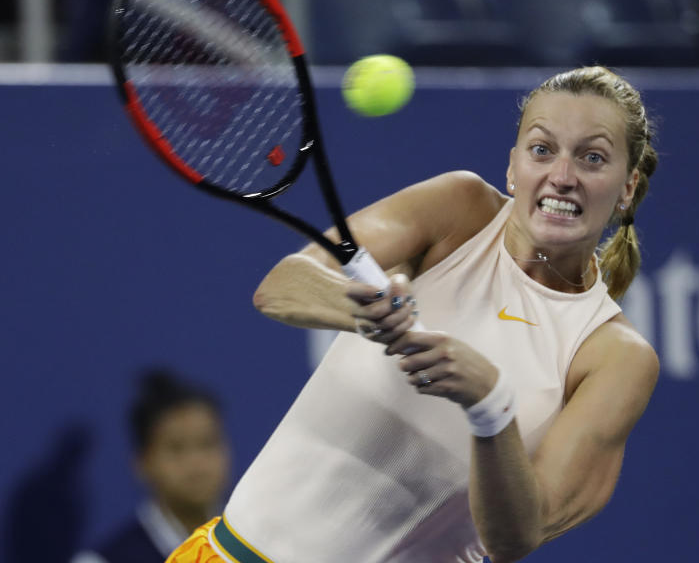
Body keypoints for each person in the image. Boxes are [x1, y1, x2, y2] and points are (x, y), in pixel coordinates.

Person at [166, 65, 660, 563]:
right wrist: (365, 312)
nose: (562, 175)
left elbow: (516, 536)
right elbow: (281, 287)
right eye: (542, 150)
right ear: (513, 168)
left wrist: (490, 406)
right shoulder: (459, 208)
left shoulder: (616, 358)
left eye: (592, 158)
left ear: (626, 187)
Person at [71, 370, 231, 563]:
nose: (196, 463)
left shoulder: (259, 545)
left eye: (207, 443)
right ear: (143, 463)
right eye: (176, 448)